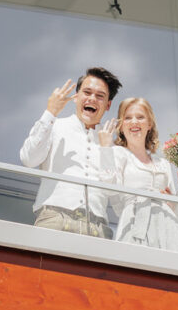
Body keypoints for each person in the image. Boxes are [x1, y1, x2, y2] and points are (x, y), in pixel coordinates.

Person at [19, 67, 122, 237]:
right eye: (87, 92)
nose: (92, 99)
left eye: (100, 96)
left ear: (108, 105)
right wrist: (50, 112)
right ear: (76, 96)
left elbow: (114, 193)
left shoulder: (110, 142)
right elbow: (28, 159)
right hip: (55, 219)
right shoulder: (55, 126)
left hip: (97, 228)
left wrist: (107, 150)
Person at [102, 97, 178, 252]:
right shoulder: (118, 154)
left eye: (140, 117)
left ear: (149, 124)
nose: (134, 122)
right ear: (121, 126)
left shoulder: (162, 163)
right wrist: (105, 149)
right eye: (128, 118)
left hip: (168, 229)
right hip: (135, 224)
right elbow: (108, 188)